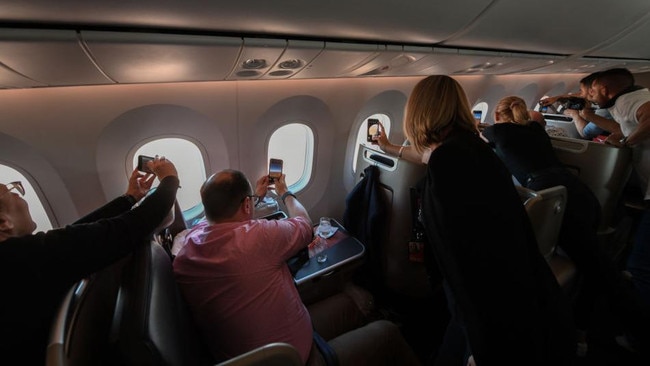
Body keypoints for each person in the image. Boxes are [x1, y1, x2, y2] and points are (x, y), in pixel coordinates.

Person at [401, 75, 576, 365]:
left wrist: (479, 343)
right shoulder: (469, 147)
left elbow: (466, 259)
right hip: (514, 293)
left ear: (418, 112)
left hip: (491, 307)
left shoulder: (449, 163)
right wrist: (388, 146)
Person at [172, 169, 420, 366]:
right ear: (246, 206)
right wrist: (285, 192)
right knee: (388, 334)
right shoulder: (256, 238)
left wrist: (254, 199)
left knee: (351, 302)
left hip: (249, 351)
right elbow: (304, 225)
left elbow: (222, 223)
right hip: (291, 358)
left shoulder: (186, 247)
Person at [483, 95, 650, 355]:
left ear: (496, 116)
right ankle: (588, 328)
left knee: (601, 271)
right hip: (578, 193)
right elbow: (536, 117)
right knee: (596, 266)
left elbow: (483, 135)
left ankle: (638, 332)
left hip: (557, 198)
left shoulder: (497, 132)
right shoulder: (535, 129)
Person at [0, 156, 180, 365]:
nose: (19, 195)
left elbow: (76, 235)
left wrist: (129, 198)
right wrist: (170, 179)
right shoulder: (22, 257)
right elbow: (131, 227)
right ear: (4, 222)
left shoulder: (21, 255)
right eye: (11, 191)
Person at [590, 68, 650, 311]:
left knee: (641, 265)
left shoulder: (628, 100)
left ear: (606, 89)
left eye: (593, 90)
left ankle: (641, 335)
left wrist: (627, 142)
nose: (591, 95)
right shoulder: (634, 97)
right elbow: (623, 125)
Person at [540, 73, 619, 140]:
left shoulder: (605, 110)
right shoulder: (612, 100)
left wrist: (575, 115)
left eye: (581, 90)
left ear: (592, 91)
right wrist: (558, 97)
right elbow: (581, 95)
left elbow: (586, 133)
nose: (580, 94)